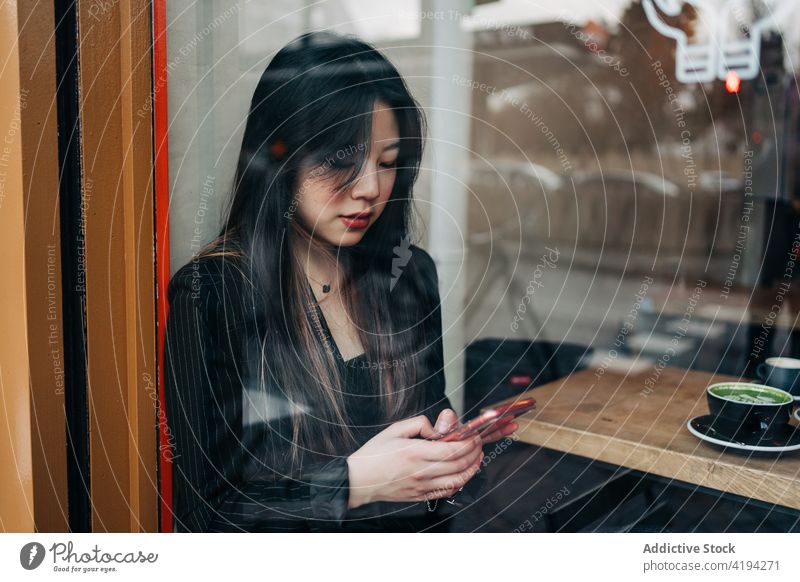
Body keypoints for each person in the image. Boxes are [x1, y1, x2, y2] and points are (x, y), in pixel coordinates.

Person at [163, 30, 518, 533]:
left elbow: (429, 434)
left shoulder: (408, 274)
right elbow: (207, 514)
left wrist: (447, 454)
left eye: (388, 163)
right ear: (278, 159)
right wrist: (354, 484)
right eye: (341, 161)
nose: (371, 187)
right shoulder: (214, 294)